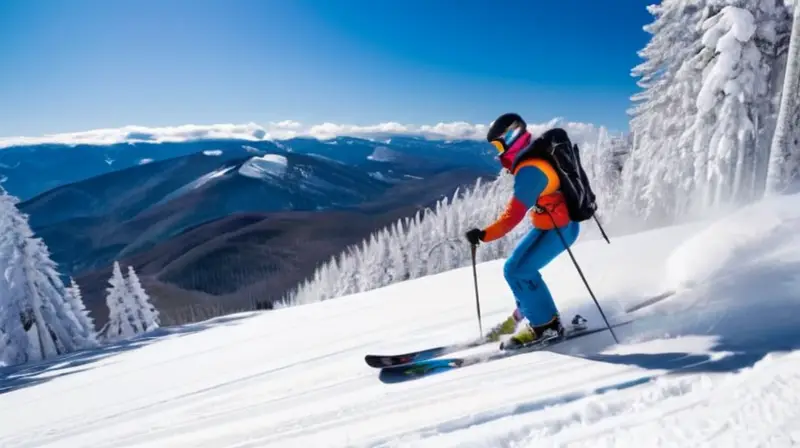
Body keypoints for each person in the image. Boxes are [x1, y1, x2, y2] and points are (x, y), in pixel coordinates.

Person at [465, 113, 581, 350]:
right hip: (550, 225)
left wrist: (483, 235)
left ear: (512, 137)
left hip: (561, 229)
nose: (497, 152)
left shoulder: (531, 170)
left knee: (521, 270)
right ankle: (525, 314)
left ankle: (546, 326)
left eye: (498, 145)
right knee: (514, 268)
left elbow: (512, 217)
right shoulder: (532, 159)